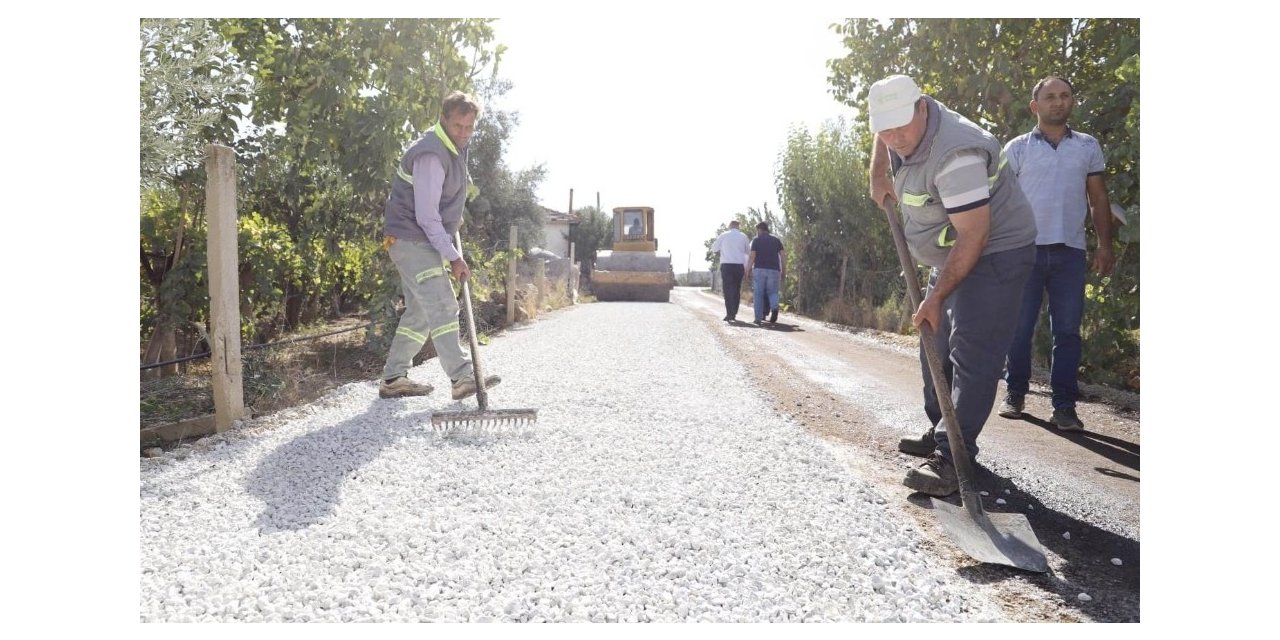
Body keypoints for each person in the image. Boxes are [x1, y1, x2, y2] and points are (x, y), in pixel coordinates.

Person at [866, 74, 1037, 496]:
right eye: (884, 129)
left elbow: (975, 235)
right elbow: (887, 133)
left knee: (970, 350)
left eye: (902, 127)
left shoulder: (957, 153)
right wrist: (877, 170)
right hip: (951, 252)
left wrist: (937, 296)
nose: (895, 137)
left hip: (995, 249)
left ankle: (952, 457)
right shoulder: (898, 126)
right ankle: (942, 429)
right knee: (933, 343)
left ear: (922, 107)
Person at [998, 76, 1114, 432]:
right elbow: (1002, 202)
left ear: (1072, 102)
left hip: (1070, 253)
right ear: (1035, 106)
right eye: (1050, 97)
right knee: (1019, 329)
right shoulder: (1016, 149)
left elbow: (1098, 199)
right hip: (1025, 251)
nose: (1058, 102)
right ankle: (1015, 393)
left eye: (1065, 95)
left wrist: (1105, 245)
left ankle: (1064, 407)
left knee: (1067, 332)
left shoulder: (1087, 146)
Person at [379, 90, 500, 400]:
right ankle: (462, 377)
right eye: (458, 125)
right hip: (411, 239)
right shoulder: (432, 154)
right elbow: (427, 216)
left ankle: (393, 378)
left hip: (414, 239)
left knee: (419, 313)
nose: (464, 132)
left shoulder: (453, 149)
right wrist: (454, 257)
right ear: (444, 119)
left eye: (469, 127)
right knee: (443, 303)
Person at [710, 220, 751, 322]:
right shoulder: (743, 236)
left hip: (727, 265)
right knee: (736, 289)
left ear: (730, 226)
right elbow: (748, 251)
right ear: (738, 226)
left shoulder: (724, 235)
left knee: (727, 289)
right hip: (738, 266)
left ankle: (729, 313)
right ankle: (734, 313)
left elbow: (714, 248)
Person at [744, 222, 784, 326]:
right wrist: (784, 270)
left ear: (759, 230)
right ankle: (774, 308)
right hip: (774, 270)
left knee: (758, 294)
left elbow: (752, 256)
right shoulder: (776, 240)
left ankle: (758, 319)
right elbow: (783, 256)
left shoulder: (756, 240)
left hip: (759, 270)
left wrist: (747, 269)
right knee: (773, 292)